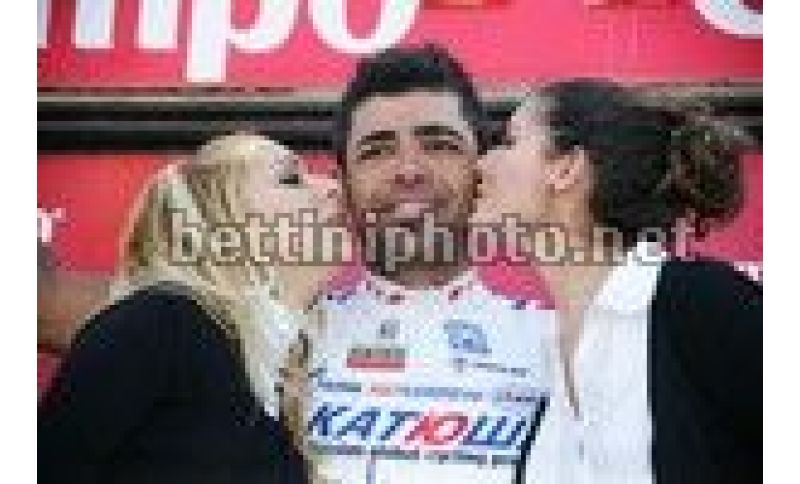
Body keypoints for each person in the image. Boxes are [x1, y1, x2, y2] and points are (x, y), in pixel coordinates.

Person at [475, 79, 761, 483]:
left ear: (566, 168)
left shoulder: (702, 302)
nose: (483, 162)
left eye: (509, 141)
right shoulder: (543, 347)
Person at [305, 45, 553, 483]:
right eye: (377, 151)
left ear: (483, 169)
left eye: (439, 145)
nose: (409, 171)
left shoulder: (557, 342)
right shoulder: (284, 343)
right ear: (341, 183)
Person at [39, 133, 340, 484]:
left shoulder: (276, 367)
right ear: (221, 223)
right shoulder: (158, 324)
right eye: (290, 179)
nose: (331, 187)